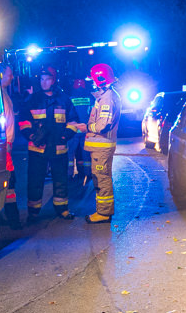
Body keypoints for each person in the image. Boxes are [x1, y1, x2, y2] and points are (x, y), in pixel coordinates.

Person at [19, 65, 81, 221]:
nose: (43, 82)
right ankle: (33, 212)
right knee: (35, 181)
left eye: (47, 79)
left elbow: (73, 121)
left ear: (54, 80)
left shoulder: (64, 99)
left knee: (61, 180)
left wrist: (65, 136)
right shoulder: (33, 100)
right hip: (37, 149)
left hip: (59, 148)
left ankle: (62, 209)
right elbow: (23, 122)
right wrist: (32, 135)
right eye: (41, 79)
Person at [84, 63, 121, 224]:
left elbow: (102, 125)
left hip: (102, 146)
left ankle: (104, 213)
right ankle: (103, 211)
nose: (91, 82)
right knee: (101, 177)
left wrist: (86, 127)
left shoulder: (107, 99)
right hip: (101, 146)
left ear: (100, 79)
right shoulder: (105, 96)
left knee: (102, 179)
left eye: (93, 80)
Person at [0, 64, 21, 229]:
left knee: (9, 180)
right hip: (3, 145)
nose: (12, 77)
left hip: (7, 143)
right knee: (9, 180)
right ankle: (13, 218)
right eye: (9, 74)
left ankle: (9, 217)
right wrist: (6, 143)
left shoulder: (3, 92)